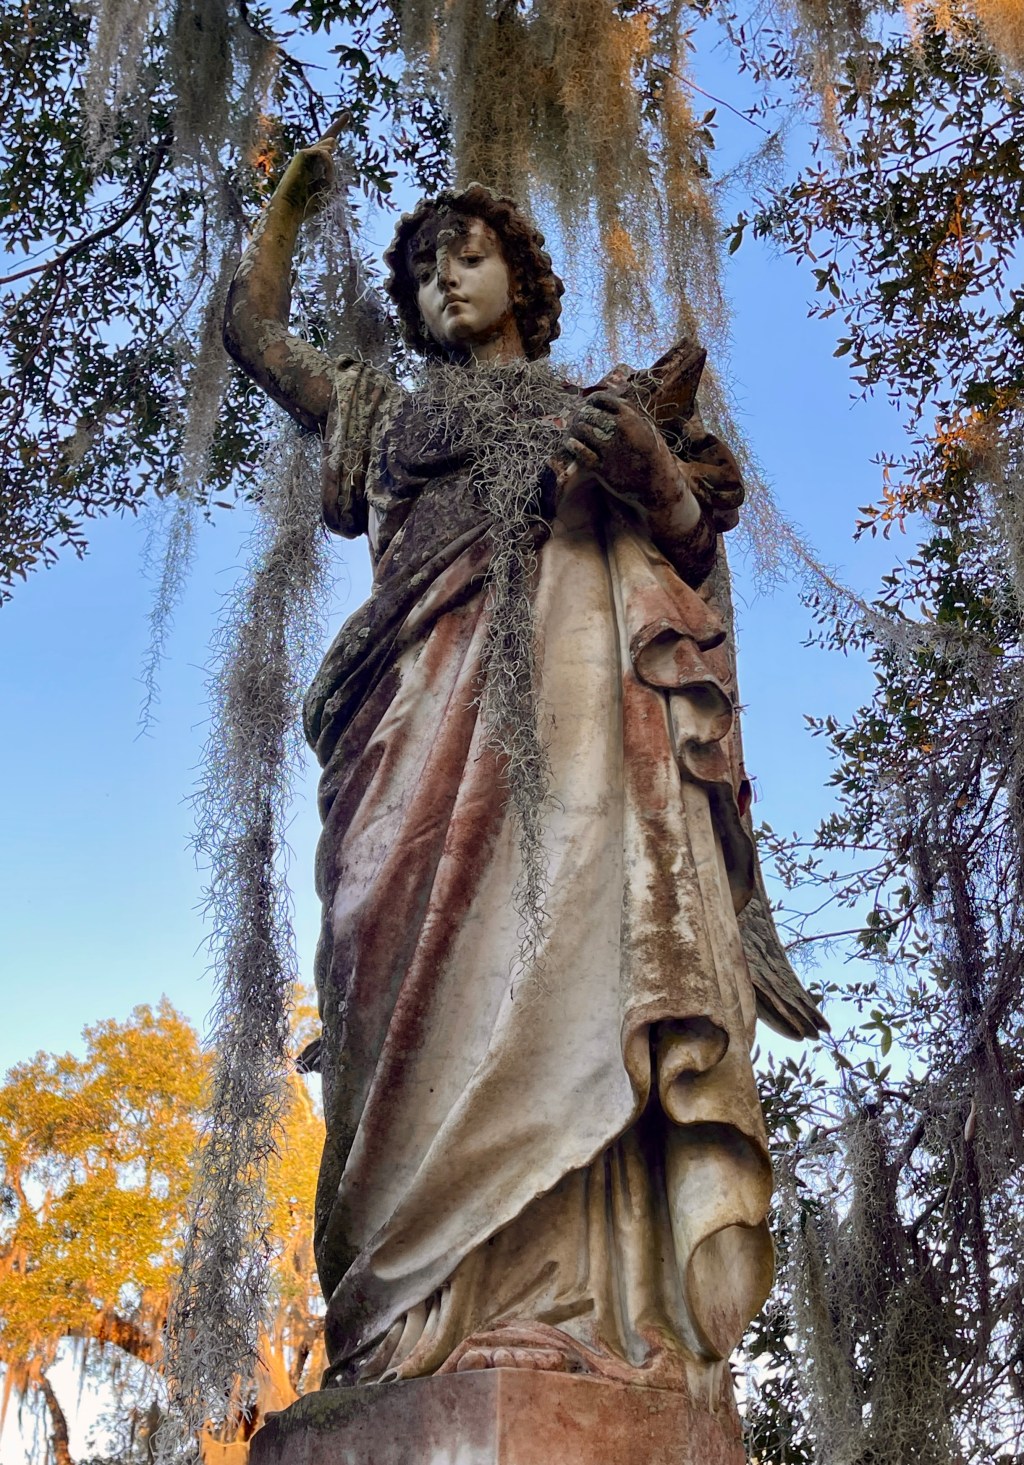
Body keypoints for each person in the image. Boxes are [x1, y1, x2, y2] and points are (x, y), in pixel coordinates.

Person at [224, 131, 822, 1399]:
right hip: (410, 727)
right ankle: (405, 1323)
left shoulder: (593, 403)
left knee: (573, 960)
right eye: (426, 270)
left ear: (522, 277)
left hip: (575, 733)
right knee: (397, 981)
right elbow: (256, 336)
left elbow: (689, 546)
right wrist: (284, 204)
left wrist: (642, 466)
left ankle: (573, 1310)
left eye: (471, 256)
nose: (446, 282)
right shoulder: (386, 407)